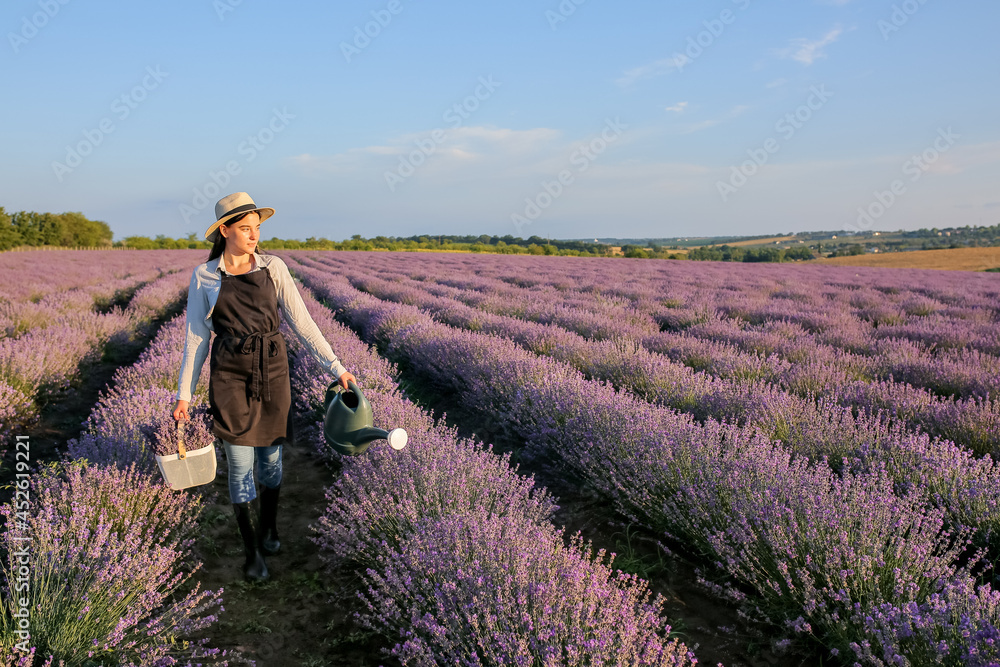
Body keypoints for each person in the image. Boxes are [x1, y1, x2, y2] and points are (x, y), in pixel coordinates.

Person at [172, 192, 356, 582]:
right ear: (225, 231)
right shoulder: (204, 276)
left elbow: (302, 323)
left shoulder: (275, 268)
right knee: (239, 464)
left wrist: (335, 367)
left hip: (272, 368)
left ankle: (270, 524)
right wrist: (183, 395)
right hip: (229, 374)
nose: (254, 235)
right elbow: (195, 338)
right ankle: (253, 549)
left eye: (257, 228)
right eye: (245, 228)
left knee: (270, 461)